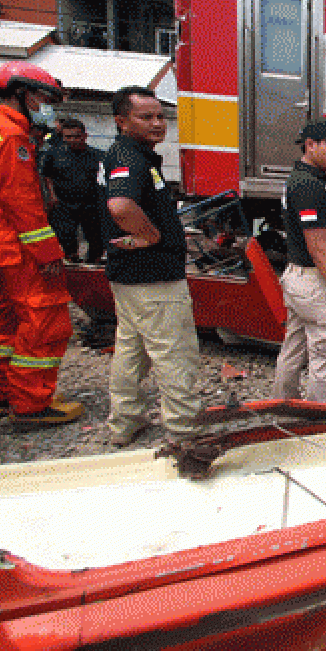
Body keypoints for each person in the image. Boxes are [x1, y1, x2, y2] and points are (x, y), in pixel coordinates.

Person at [0, 62, 83, 427]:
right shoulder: (12, 137)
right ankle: (31, 404)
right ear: (22, 93)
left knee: (11, 320)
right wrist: (47, 252)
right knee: (44, 319)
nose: (45, 105)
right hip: (17, 246)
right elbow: (23, 201)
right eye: (43, 97)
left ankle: (3, 394)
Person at [101, 86, 206, 475]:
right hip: (153, 279)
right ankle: (185, 432)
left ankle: (124, 423)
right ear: (121, 121)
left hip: (131, 278)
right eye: (146, 117)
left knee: (132, 350)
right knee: (174, 353)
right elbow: (121, 205)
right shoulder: (129, 157)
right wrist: (154, 236)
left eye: (160, 116)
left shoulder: (132, 155)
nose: (157, 123)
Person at [272, 119, 326, 404]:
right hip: (314, 280)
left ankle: (281, 405)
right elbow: (318, 248)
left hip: (303, 280)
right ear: (310, 145)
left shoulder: (320, 180)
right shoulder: (308, 186)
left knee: (295, 347)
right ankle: (319, 421)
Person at [40, 118, 105, 263]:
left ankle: (94, 260)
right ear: (63, 137)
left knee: (95, 238)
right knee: (65, 236)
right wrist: (52, 196)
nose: (73, 140)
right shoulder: (53, 154)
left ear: (84, 136)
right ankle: (71, 259)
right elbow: (47, 175)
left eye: (76, 136)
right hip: (64, 204)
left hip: (90, 204)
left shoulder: (98, 156)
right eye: (68, 137)